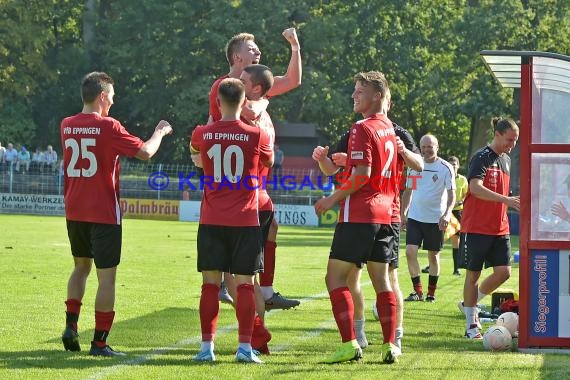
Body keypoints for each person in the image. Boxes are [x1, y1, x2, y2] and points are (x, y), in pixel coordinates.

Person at [60, 71, 173, 356]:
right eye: (111, 95)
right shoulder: (109, 126)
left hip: (75, 210)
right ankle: (99, 343)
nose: (113, 100)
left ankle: (71, 326)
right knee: (106, 278)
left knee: (80, 267)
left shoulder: (67, 125)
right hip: (104, 212)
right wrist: (160, 131)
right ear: (101, 96)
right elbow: (146, 152)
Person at [313, 88, 423, 353]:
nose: (353, 95)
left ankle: (386, 338)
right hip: (384, 213)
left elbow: (415, 165)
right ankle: (372, 338)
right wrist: (324, 160)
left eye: (360, 91)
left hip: (370, 213)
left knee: (371, 279)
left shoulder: (382, 130)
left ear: (382, 97)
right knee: (366, 278)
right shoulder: (363, 131)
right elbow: (335, 168)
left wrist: (404, 152)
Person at [205, 29, 301, 309]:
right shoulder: (227, 86)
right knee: (243, 237)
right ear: (237, 56)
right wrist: (264, 98)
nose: (258, 52)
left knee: (269, 225)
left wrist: (295, 47)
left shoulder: (252, 86)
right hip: (236, 178)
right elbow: (249, 114)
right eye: (252, 49)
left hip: (254, 175)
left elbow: (293, 80)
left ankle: (262, 293)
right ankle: (240, 294)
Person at [190, 77, 273, 363]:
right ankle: (244, 348)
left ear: (217, 102)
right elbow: (268, 162)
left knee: (210, 285)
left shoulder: (202, 132)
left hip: (212, 219)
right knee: (246, 285)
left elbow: (196, 157)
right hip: (245, 220)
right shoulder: (256, 134)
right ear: (243, 102)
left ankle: (205, 348)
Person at [460, 117, 520, 340]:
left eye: (515, 141)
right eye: (509, 140)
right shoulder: (481, 157)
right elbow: (475, 188)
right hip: (477, 226)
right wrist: (506, 199)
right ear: (497, 134)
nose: (512, 145)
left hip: (499, 227)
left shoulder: (506, 159)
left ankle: (470, 302)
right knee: (473, 274)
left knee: (504, 272)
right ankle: (470, 325)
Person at [401, 134, 456, 303]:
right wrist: (403, 213)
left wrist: (447, 214)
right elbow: (409, 191)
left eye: (430, 146)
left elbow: (451, 194)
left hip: (435, 220)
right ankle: (417, 291)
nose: (426, 150)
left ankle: (431, 293)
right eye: (423, 147)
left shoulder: (445, 168)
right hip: (415, 218)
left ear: (437, 147)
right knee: (410, 252)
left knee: (433, 256)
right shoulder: (415, 166)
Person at [421, 155, 468, 276]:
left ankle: (456, 268)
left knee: (455, 240)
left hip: (456, 212)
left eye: (455, 164)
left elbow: (466, 195)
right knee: (437, 239)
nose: (453, 166)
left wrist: (461, 201)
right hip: (443, 211)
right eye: (451, 164)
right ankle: (431, 265)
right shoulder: (443, 175)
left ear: (458, 166)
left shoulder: (462, 180)